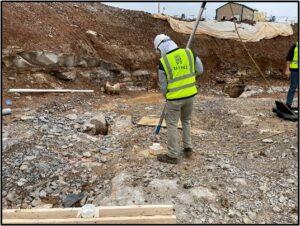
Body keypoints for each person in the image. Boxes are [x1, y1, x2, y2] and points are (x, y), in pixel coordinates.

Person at [153, 34, 204, 164]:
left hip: (174, 99)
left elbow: (163, 86)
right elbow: (200, 70)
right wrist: (189, 79)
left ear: (161, 47)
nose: (159, 53)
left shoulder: (164, 62)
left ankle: (172, 155)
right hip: (190, 95)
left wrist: (167, 95)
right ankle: (188, 148)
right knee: (186, 120)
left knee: (172, 124)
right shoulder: (188, 53)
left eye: (159, 50)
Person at [285, 41, 298, 110]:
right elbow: (288, 58)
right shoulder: (295, 46)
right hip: (294, 70)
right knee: (293, 87)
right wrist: (287, 69)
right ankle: (288, 104)